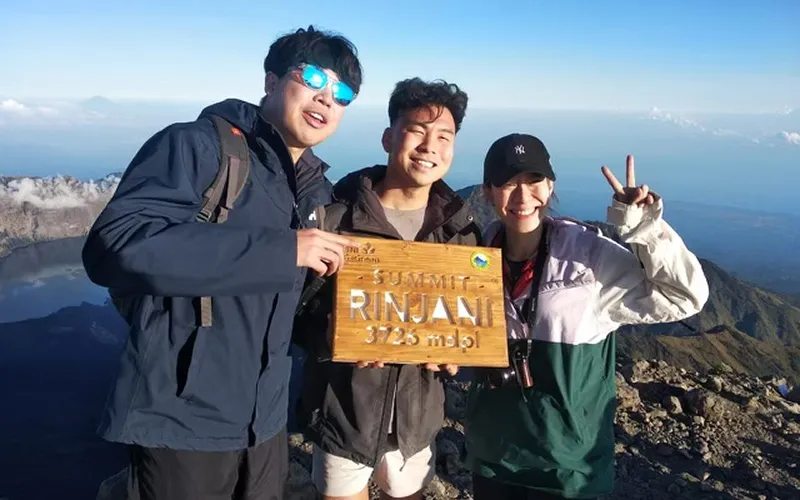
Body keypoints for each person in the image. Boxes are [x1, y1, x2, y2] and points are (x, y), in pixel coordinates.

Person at [81, 25, 363, 500]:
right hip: (181, 418)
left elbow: (287, 308)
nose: (326, 99)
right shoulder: (199, 147)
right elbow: (115, 245)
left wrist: (358, 337)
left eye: (342, 92)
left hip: (265, 422)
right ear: (271, 80)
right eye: (313, 77)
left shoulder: (314, 190)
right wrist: (284, 250)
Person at [463, 133, 710, 499]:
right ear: (487, 191)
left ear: (550, 187)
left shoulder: (588, 259)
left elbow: (684, 296)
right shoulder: (471, 256)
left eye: (533, 182)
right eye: (507, 183)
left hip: (569, 468)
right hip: (494, 456)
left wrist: (643, 228)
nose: (522, 196)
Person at [292, 77, 482, 500]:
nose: (429, 146)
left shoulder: (458, 233)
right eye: (416, 130)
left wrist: (458, 353)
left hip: (417, 421)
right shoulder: (333, 220)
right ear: (388, 137)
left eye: (444, 137)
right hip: (345, 414)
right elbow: (291, 313)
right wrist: (327, 335)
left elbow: (468, 320)